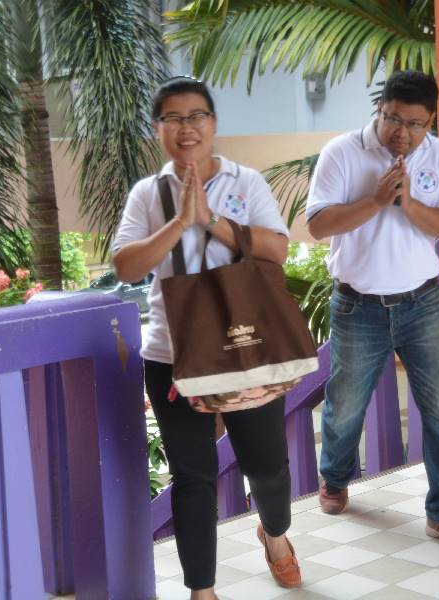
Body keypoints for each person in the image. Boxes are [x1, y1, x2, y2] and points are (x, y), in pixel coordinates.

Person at [112, 76, 300, 599]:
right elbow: (126, 266)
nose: (186, 127)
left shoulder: (246, 182)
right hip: (173, 356)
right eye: (172, 118)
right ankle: (202, 591)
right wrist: (179, 223)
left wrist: (211, 219)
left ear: (213, 124)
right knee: (193, 476)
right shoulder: (148, 193)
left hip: (245, 348)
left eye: (196, 116)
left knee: (267, 467)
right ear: (158, 129)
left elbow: (276, 250)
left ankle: (275, 532)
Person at [306, 70, 439, 549]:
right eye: (393, 119)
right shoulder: (342, 152)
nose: (402, 132)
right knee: (346, 405)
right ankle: (335, 477)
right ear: (380, 108)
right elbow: (319, 225)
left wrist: (408, 204)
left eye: (415, 124)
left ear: (430, 120)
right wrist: (376, 200)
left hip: (422, 303)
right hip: (357, 305)